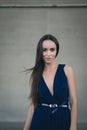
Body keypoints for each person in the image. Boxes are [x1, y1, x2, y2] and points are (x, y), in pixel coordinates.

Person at [23, 34, 78, 130]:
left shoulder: (67, 70)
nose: (49, 54)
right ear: (40, 51)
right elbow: (33, 105)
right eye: (44, 50)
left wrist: (73, 126)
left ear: (57, 51)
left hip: (63, 119)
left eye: (52, 50)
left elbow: (73, 101)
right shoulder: (35, 75)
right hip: (40, 120)